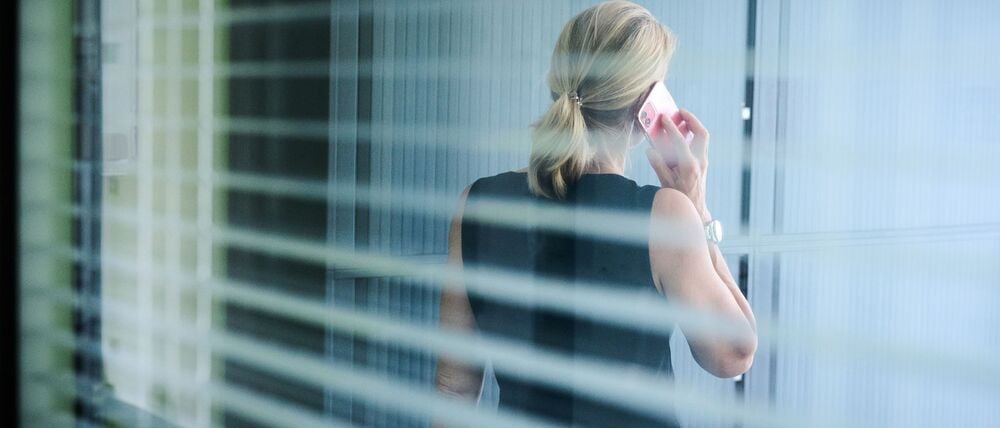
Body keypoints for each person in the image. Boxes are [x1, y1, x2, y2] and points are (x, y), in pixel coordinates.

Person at [436, 1, 757, 426]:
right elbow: (733, 354)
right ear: (648, 107)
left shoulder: (476, 203)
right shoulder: (664, 217)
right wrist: (696, 206)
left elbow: (454, 389)